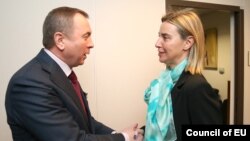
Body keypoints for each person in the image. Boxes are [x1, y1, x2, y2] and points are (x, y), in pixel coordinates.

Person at [5, 6, 143, 141]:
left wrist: (118, 134)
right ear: (60, 41)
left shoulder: (61, 74)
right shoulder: (29, 83)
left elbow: (86, 124)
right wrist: (124, 138)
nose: (91, 44)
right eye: (86, 36)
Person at [143, 9, 222, 141]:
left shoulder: (197, 87)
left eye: (165, 37)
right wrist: (141, 132)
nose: (157, 43)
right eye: (159, 36)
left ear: (188, 43)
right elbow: (167, 127)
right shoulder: (166, 81)